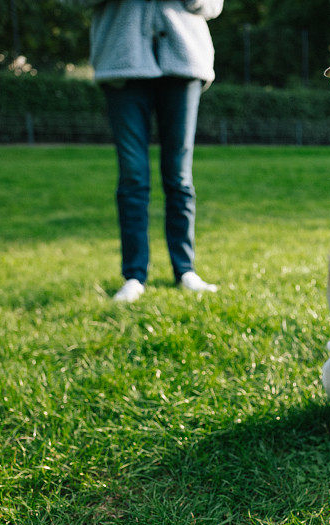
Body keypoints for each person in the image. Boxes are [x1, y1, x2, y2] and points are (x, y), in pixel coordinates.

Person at [78, 0, 224, 302]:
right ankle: (133, 276)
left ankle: (185, 270)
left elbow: (212, 5)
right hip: (121, 60)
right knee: (132, 176)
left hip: (184, 61)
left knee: (179, 176)